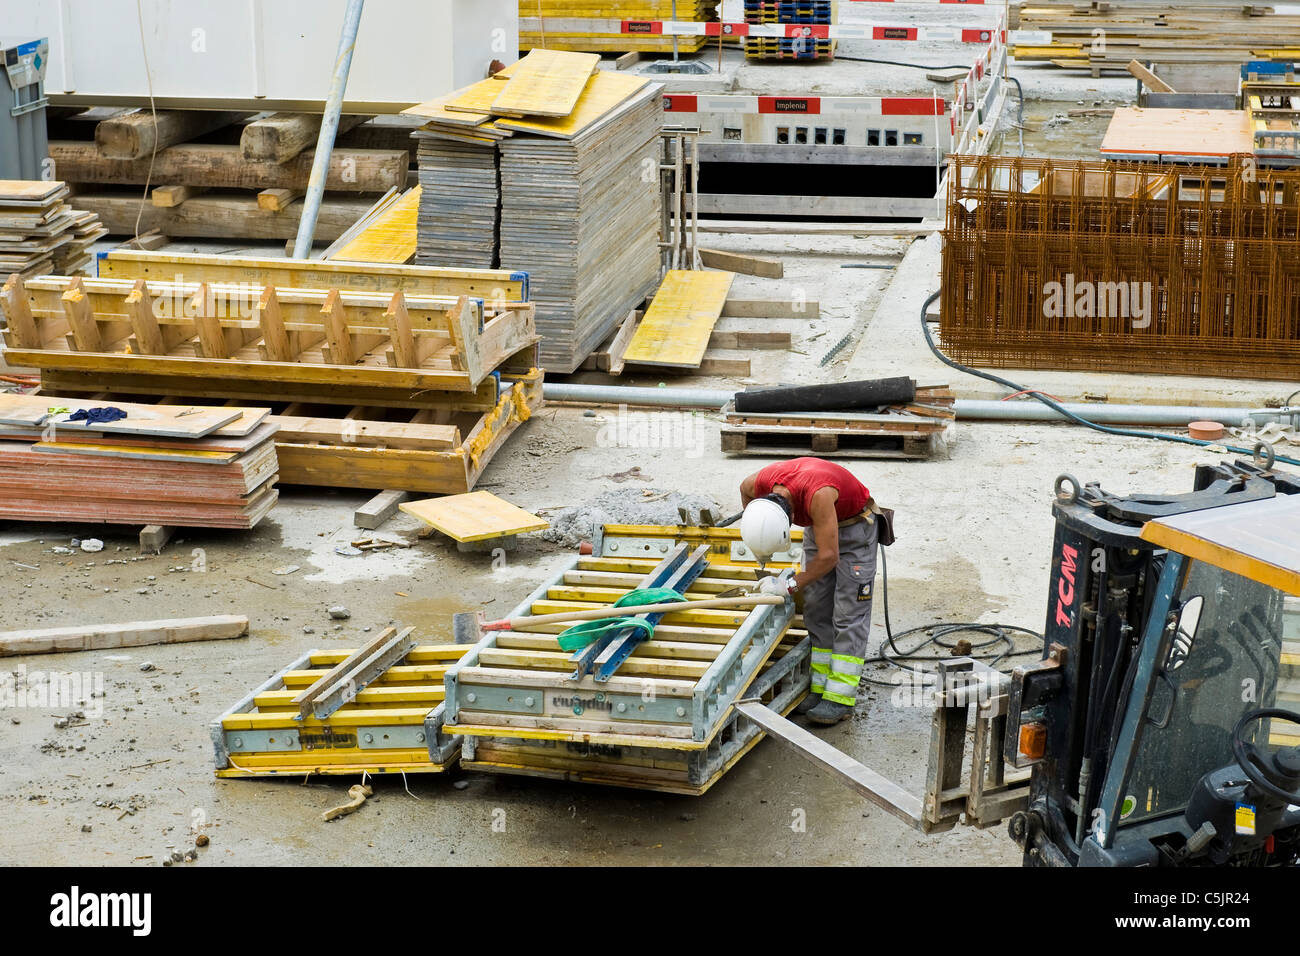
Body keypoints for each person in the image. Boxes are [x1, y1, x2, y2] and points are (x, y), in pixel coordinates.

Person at [739, 457, 885, 726]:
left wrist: (789, 585)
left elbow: (829, 557)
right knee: (817, 610)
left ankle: (840, 697)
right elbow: (744, 491)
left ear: (790, 517)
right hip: (819, 529)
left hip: (855, 529)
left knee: (847, 614)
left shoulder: (818, 495)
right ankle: (820, 688)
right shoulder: (756, 484)